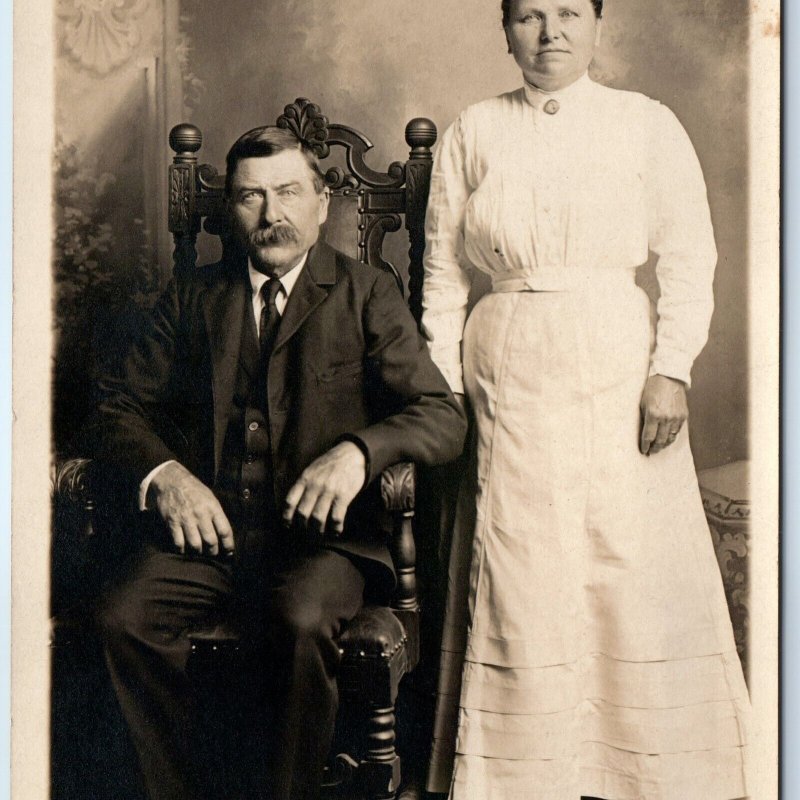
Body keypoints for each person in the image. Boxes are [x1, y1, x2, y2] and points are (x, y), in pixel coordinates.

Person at [421, 1, 749, 798]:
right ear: (505, 29)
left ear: (600, 25)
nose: (549, 32)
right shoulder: (474, 130)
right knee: (523, 569)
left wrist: (670, 369)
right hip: (508, 374)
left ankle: (642, 771)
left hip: (616, 363)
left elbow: (688, 255)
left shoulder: (645, 123)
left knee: (625, 560)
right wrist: (447, 391)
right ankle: (524, 774)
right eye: (529, 15)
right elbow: (442, 279)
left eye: (569, 11)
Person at [87, 125, 467, 800]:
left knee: (299, 622)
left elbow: (442, 417)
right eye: (249, 197)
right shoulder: (193, 297)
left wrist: (359, 452)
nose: (271, 214)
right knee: (122, 617)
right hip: (209, 543)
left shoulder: (366, 293)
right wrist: (166, 477)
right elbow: (114, 409)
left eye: (289, 192)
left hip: (326, 547)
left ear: (323, 202)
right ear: (229, 211)